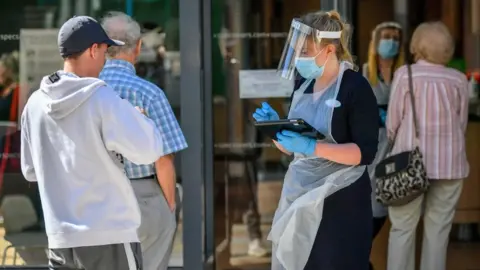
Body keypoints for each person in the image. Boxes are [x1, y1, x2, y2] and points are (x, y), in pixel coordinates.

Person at [20, 16, 165, 270]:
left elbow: (30, 170)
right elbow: (149, 150)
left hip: (60, 239)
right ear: (93, 49)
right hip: (110, 237)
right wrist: (139, 119)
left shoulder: (34, 104)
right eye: (104, 50)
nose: (105, 58)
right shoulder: (101, 97)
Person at [253, 10, 378, 270]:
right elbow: (291, 149)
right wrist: (276, 129)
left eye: (306, 52)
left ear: (330, 50)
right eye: (297, 51)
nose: (299, 58)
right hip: (300, 192)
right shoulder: (303, 84)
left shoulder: (356, 87)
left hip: (341, 198)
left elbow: (364, 153)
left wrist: (313, 147)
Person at [99, 12, 188, 270]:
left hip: (95, 198)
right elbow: (164, 158)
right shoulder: (148, 93)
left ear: (102, 47)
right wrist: (169, 206)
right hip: (144, 198)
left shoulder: (87, 90)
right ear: (138, 47)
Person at [386, 21, 469, 270]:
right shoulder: (458, 79)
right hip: (449, 165)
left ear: (416, 47)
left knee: (402, 228)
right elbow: (461, 122)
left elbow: (393, 122)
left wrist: (393, 142)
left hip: (408, 162)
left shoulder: (405, 75)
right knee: (438, 230)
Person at [361, 21, 405, 270]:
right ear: (376, 41)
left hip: (398, 151)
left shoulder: (404, 74)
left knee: (389, 211)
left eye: (396, 38)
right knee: (371, 211)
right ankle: (361, 261)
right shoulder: (365, 73)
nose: (392, 42)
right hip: (373, 150)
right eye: (387, 36)